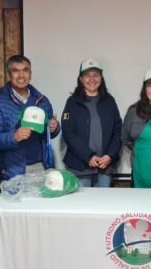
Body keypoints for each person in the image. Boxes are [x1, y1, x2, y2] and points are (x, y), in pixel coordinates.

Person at [0, 55, 60, 183]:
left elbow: (48, 133)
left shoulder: (42, 100)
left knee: (42, 203)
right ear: (9, 75)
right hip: (12, 170)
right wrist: (14, 137)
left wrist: (54, 128)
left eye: (25, 70)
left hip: (40, 167)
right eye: (16, 71)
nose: (21, 75)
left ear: (30, 74)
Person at [61, 58, 122, 187]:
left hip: (104, 165)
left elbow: (118, 131)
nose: (92, 79)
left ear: (101, 78)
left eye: (96, 75)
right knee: (83, 205)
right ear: (81, 79)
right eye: (87, 76)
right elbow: (68, 133)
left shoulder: (109, 101)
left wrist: (110, 155)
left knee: (103, 205)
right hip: (80, 165)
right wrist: (88, 156)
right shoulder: (72, 102)